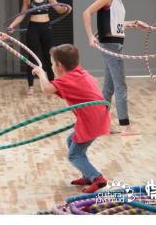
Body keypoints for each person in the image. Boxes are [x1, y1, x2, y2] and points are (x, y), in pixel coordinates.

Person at [32, 44, 110, 193]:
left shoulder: (66, 79)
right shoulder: (80, 72)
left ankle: (97, 178)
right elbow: (88, 84)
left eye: (52, 64)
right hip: (97, 114)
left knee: (74, 155)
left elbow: (46, 89)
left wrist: (41, 74)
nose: (52, 66)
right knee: (71, 140)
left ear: (59, 66)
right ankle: (88, 174)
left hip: (90, 119)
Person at [82, 0, 149, 136]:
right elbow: (86, 13)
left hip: (116, 45)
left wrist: (133, 23)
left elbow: (116, 23)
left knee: (109, 88)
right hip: (110, 46)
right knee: (121, 86)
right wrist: (91, 36)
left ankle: (100, 125)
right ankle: (125, 127)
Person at [7, 0, 69, 96]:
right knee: (32, 58)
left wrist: (65, 9)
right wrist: (12, 25)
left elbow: (58, 9)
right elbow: (22, 14)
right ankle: (30, 86)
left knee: (49, 57)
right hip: (33, 29)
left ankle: (52, 84)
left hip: (46, 28)